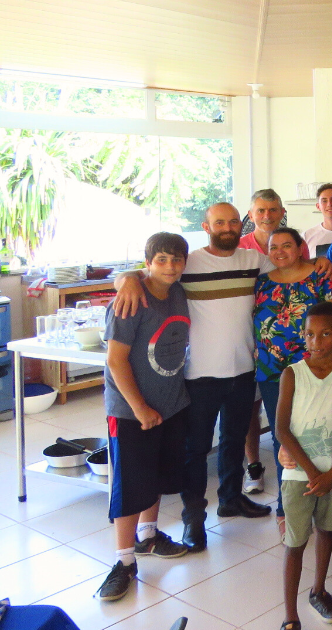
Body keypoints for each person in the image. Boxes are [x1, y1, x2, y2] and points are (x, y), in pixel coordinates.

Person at [113, 202, 274, 553]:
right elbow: (149, 274)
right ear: (206, 226)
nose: (228, 227)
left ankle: (231, 499)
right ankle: (194, 519)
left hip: (243, 370)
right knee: (195, 450)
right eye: (220, 222)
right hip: (199, 375)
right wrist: (125, 278)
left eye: (234, 221)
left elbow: (292, 267)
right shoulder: (188, 263)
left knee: (234, 443)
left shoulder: (254, 260)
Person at [95, 232, 192, 602]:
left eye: (177, 260)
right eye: (162, 259)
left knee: (155, 475)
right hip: (132, 411)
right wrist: (138, 408)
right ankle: (123, 562)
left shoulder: (178, 292)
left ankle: (149, 536)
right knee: (130, 483)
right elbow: (115, 360)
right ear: (148, 261)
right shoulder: (130, 301)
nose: (170, 266)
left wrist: (162, 407)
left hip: (171, 403)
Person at [275, 302, 332, 628]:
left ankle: (319, 590)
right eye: (310, 334)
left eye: (326, 334)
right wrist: (313, 473)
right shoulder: (292, 374)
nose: (317, 341)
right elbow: (282, 428)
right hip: (300, 476)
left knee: (326, 531)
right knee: (295, 542)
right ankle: (290, 616)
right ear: (303, 336)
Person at [252, 227, 332, 526]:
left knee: (321, 435)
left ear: (302, 247)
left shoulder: (321, 276)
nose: (280, 251)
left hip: (316, 372)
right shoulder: (261, 283)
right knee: (284, 442)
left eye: (287, 245)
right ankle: (286, 509)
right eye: (273, 246)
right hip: (272, 373)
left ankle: (326, 502)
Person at [240, 189, 311, 259]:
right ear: (251, 215)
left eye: (273, 210)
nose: (267, 216)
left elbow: (307, 268)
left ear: (282, 213)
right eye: (261, 211)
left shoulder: (297, 244)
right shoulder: (238, 247)